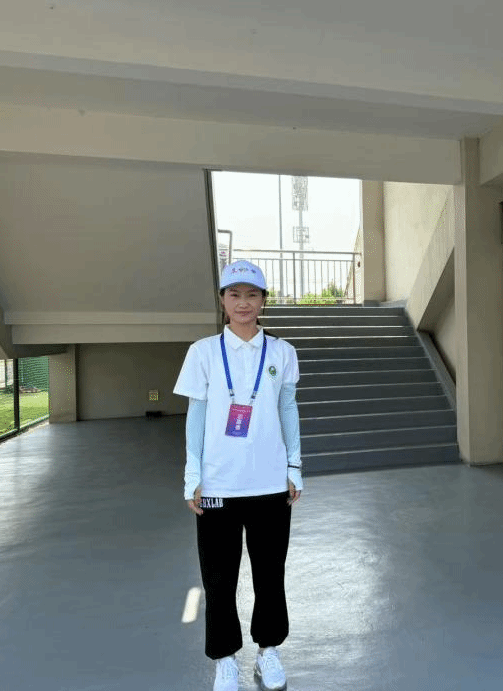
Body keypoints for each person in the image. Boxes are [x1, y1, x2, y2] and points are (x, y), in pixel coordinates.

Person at [174, 260, 303, 691]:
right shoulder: (203, 352)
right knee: (218, 578)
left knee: (270, 574)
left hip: (269, 484)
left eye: (252, 295)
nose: (243, 303)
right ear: (222, 301)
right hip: (218, 485)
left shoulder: (282, 352)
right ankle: (225, 658)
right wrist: (193, 474)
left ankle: (269, 651)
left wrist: (294, 467)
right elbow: (196, 416)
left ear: (263, 301)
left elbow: (288, 409)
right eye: (234, 294)